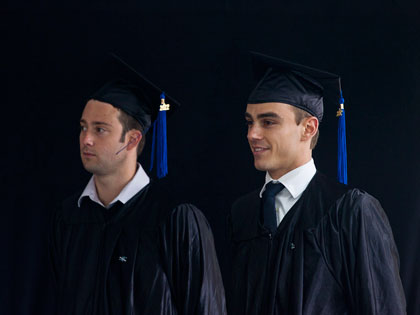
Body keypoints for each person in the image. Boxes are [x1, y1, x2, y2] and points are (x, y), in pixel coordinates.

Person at [228, 52, 406, 315]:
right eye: (249, 122)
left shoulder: (349, 212)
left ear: (308, 128)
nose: (252, 134)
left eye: (268, 122)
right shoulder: (242, 213)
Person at [49, 54, 226, 315]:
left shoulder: (174, 219)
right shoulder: (68, 217)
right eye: (83, 127)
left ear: (132, 140)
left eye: (100, 129)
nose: (86, 139)